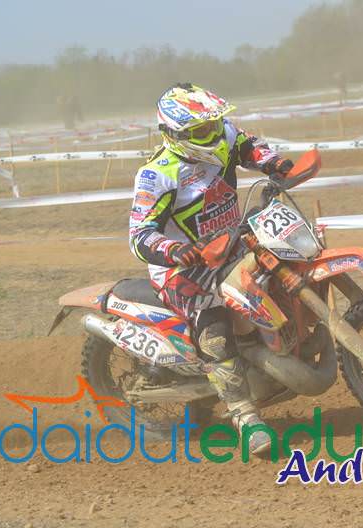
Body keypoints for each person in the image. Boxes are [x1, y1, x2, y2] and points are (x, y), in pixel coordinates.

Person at [128, 83, 293, 455]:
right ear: (176, 134)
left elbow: (248, 146)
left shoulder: (225, 133)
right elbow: (139, 236)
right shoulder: (157, 175)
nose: (215, 133)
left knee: (286, 262)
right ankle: (245, 416)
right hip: (183, 268)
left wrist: (272, 162)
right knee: (214, 325)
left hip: (232, 241)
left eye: (216, 124)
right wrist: (175, 250)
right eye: (204, 129)